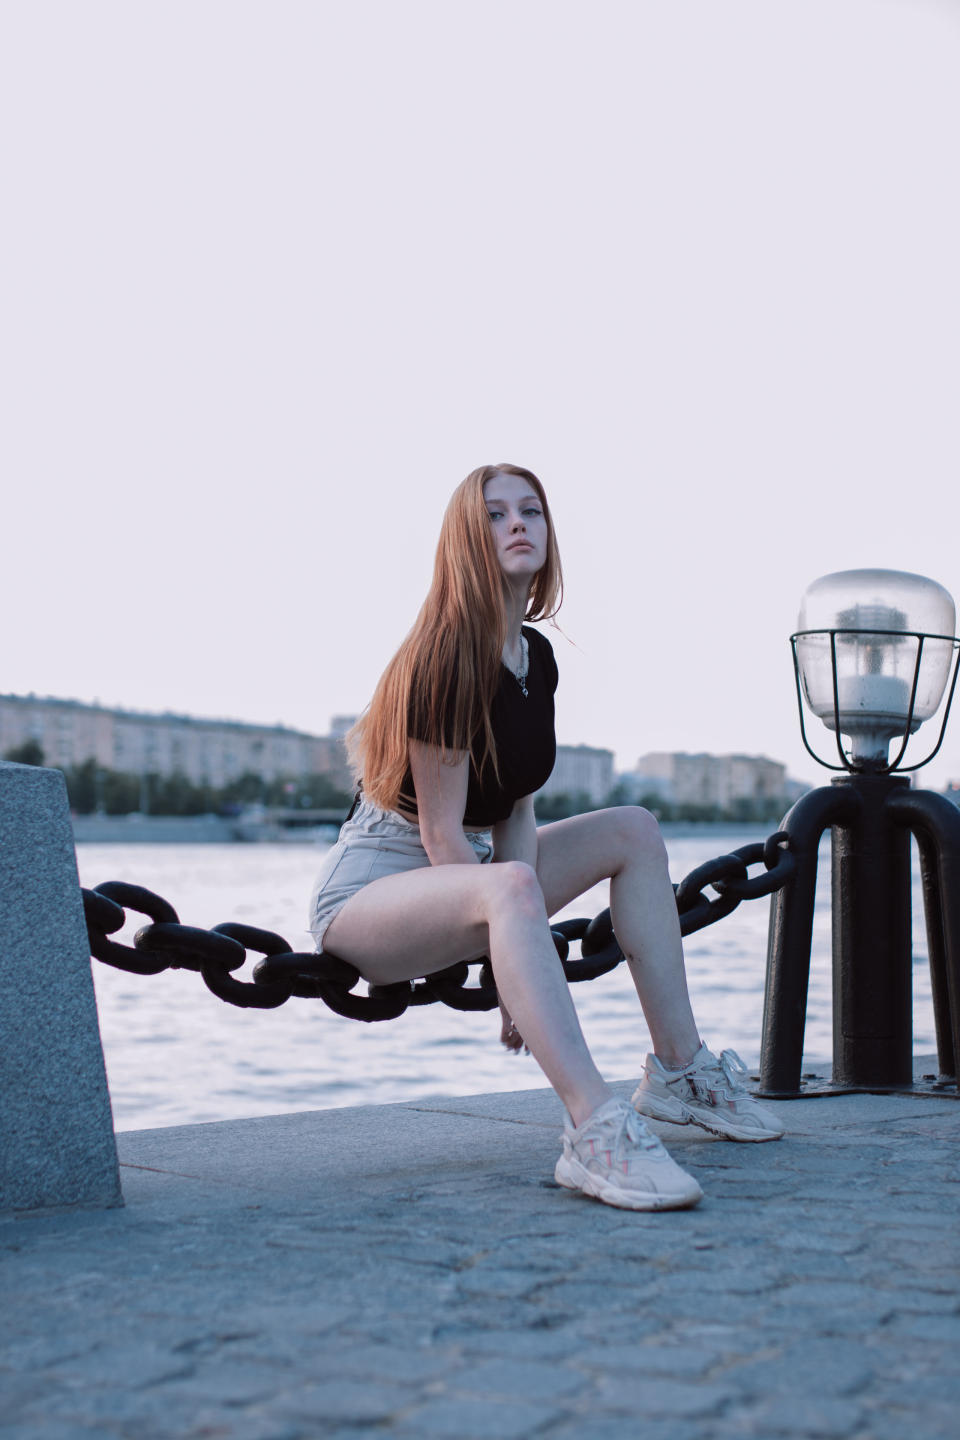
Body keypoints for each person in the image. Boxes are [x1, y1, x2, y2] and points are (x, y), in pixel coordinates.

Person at [308, 463, 783, 1212]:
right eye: (495, 515)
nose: (518, 524)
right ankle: (593, 1129)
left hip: (478, 874)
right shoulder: (443, 658)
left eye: (531, 511)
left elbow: (516, 815)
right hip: (376, 888)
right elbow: (439, 834)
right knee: (508, 885)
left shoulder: (535, 658)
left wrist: (511, 930)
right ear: (466, 540)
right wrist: (505, 966)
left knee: (634, 830)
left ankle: (680, 1073)